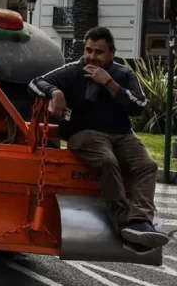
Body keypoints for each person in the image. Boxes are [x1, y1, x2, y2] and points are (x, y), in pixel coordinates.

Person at [29, 26, 168, 253]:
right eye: (88, 50)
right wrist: (55, 93)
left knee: (148, 165)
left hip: (123, 134)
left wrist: (109, 83)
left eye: (99, 52)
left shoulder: (124, 74)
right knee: (107, 161)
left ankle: (139, 222)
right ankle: (123, 223)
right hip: (85, 134)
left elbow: (139, 106)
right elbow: (35, 83)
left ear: (112, 54)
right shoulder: (72, 71)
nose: (92, 56)